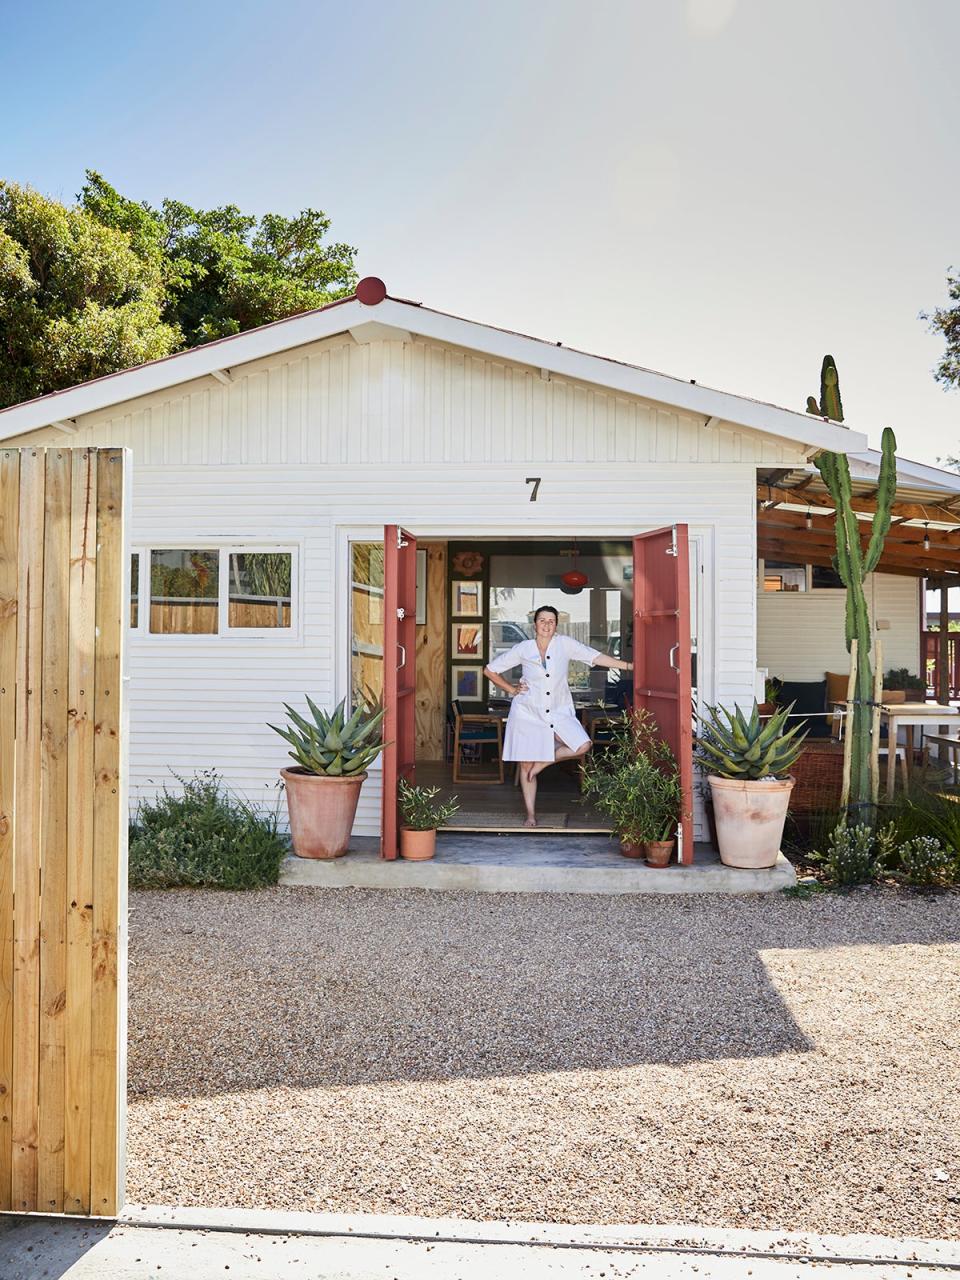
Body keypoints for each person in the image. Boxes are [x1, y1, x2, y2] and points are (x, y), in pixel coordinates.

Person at [484, 605, 633, 826]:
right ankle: (531, 815)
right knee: (526, 767)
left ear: (556, 625)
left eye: (551, 621)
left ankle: (542, 763)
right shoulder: (523, 648)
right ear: (534, 624)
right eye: (542, 620)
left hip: (559, 711)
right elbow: (490, 670)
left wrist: (628, 665)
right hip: (527, 712)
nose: (547, 624)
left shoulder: (565, 644)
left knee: (582, 745)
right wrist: (511, 690)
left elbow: (595, 657)